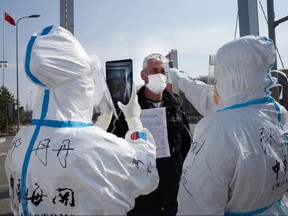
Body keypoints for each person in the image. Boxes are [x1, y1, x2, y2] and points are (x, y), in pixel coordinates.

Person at [4, 25, 159, 216]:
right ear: (78, 84)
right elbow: (146, 172)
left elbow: (81, 148)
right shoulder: (97, 148)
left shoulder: (19, 143)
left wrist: (102, 122)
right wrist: (134, 120)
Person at [169, 35, 288, 215]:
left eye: (218, 76)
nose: (214, 84)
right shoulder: (275, 112)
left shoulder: (217, 130)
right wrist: (181, 79)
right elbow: (211, 99)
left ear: (227, 77)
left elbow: (197, 206)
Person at [107, 53, 192, 215]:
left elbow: (186, 146)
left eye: (162, 71)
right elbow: (114, 145)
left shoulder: (175, 105)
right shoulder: (128, 107)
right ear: (143, 75)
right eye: (154, 70)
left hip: (173, 190)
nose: (159, 75)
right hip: (141, 192)